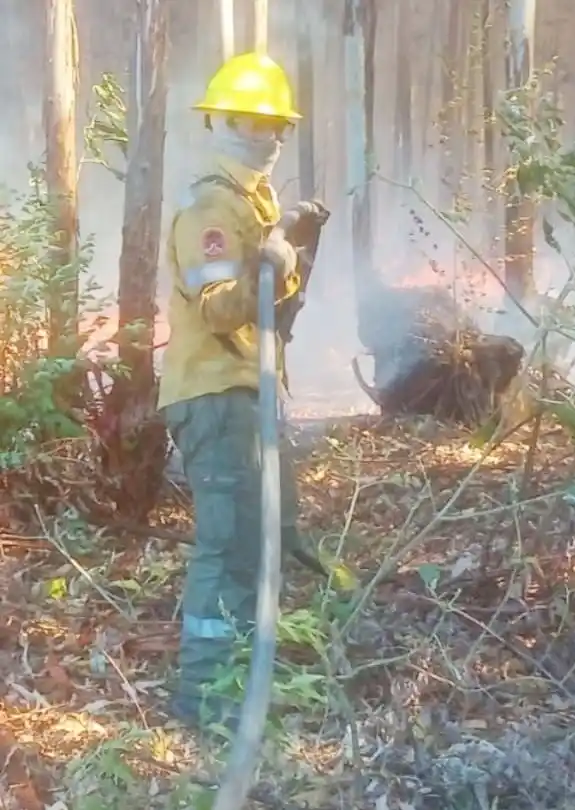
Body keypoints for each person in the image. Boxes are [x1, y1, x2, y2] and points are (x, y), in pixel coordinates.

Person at [157, 52, 320, 730]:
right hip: (216, 396)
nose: (266, 138)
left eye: (276, 126)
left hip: (248, 394)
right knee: (226, 546)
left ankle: (244, 683)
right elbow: (222, 307)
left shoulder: (256, 205)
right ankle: (202, 701)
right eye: (251, 122)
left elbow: (266, 319)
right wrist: (270, 263)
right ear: (220, 121)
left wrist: (288, 259)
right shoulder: (211, 208)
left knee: (260, 542)